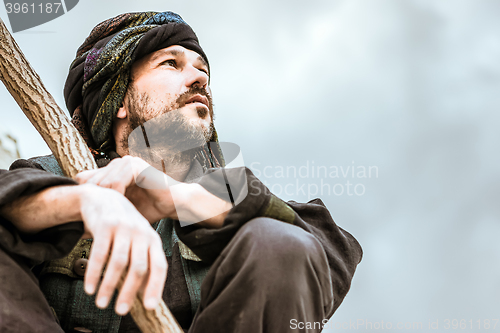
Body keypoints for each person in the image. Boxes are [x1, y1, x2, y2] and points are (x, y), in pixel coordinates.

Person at [0, 11, 362, 333]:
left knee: (280, 242)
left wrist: (180, 197)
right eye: (171, 63)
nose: (199, 79)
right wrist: (83, 202)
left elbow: (329, 254)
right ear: (120, 101)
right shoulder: (50, 175)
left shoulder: (224, 191)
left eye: (202, 70)